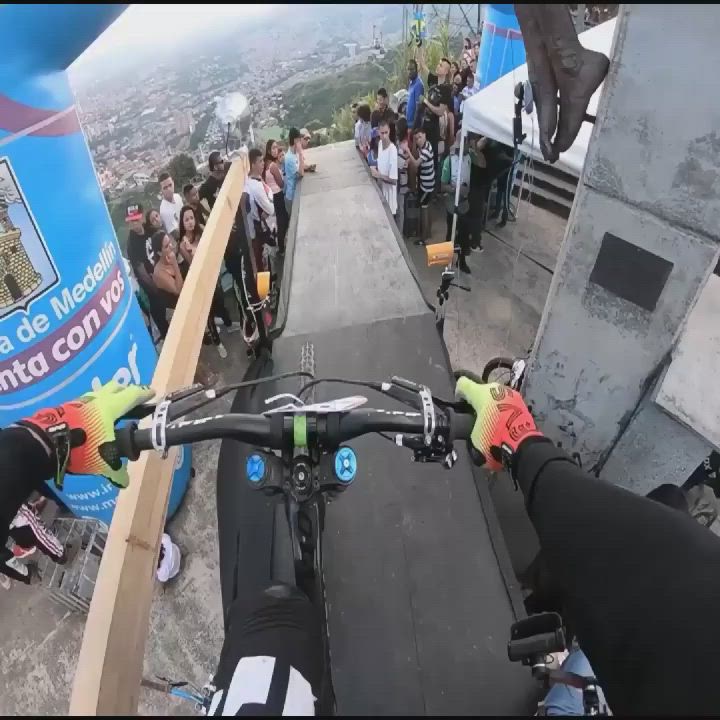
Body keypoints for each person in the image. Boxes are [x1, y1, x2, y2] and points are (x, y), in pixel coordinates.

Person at [151, 229, 226, 367]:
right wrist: (174, 263)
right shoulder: (158, 272)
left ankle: (212, 338)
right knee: (189, 343)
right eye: (166, 246)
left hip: (187, 299)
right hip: (174, 309)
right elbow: (178, 290)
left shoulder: (174, 254)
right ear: (159, 252)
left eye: (170, 243)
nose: (171, 247)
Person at [125, 202, 169, 338]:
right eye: (131, 221)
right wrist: (157, 289)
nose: (135, 224)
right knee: (159, 315)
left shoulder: (149, 228)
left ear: (142, 217)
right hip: (153, 287)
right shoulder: (131, 244)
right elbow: (141, 273)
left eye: (137, 219)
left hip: (165, 272)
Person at [440, 139, 472, 274]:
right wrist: (454, 189)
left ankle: (462, 260)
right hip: (452, 203)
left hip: (464, 203)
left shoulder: (469, 158)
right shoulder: (449, 161)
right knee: (451, 234)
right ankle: (447, 262)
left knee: (465, 234)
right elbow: (442, 186)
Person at [246, 148, 277, 272]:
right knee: (266, 261)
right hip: (261, 231)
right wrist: (270, 200)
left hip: (259, 229)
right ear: (253, 164)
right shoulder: (255, 186)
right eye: (259, 161)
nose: (263, 164)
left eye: (263, 161)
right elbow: (271, 209)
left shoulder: (253, 180)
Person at [404, 126, 435, 245]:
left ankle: (423, 238)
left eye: (420, 138)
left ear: (425, 135)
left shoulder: (426, 150)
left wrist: (407, 150)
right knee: (428, 206)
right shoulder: (427, 145)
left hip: (426, 185)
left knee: (424, 210)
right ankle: (428, 232)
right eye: (416, 139)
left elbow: (416, 164)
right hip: (428, 182)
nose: (418, 141)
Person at [263, 139, 289, 252]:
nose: (276, 150)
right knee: (283, 220)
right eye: (273, 148)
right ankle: (281, 246)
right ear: (269, 150)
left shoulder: (266, 164)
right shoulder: (273, 166)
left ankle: (281, 243)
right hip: (278, 195)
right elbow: (281, 183)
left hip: (272, 195)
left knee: (280, 219)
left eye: (276, 147)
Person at [370, 119, 398, 217]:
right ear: (378, 132)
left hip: (389, 202)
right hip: (381, 196)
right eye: (382, 133)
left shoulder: (393, 150)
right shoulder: (380, 145)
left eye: (386, 132)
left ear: (389, 131)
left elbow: (394, 180)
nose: (385, 135)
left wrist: (379, 175)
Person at [283, 128, 305, 217]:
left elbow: (301, 165)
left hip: (294, 193)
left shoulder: (294, 154)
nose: (300, 142)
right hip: (291, 197)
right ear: (295, 140)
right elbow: (301, 173)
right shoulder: (289, 158)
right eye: (299, 139)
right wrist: (300, 153)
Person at [395, 116, 410, 236]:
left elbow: (404, 162)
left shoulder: (402, 143)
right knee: (401, 207)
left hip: (401, 178)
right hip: (402, 178)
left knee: (400, 207)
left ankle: (399, 233)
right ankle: (400, 231)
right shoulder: (404, 141)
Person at [158, 172, 184, 236]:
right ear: (161, 190)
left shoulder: (177, 196)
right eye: (165, 188)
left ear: (173, 183)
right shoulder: (164, 211)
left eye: (170, 185)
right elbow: (176, 235)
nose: (169, 189)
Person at [406, 59, 425, 129]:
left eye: (412, 69)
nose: (409, 72)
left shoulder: (418, 85)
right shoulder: (411, 84)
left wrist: (413, 128)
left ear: (416, 70)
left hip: (414, 126)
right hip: (408, 124)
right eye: (408, 69)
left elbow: (419, 108)